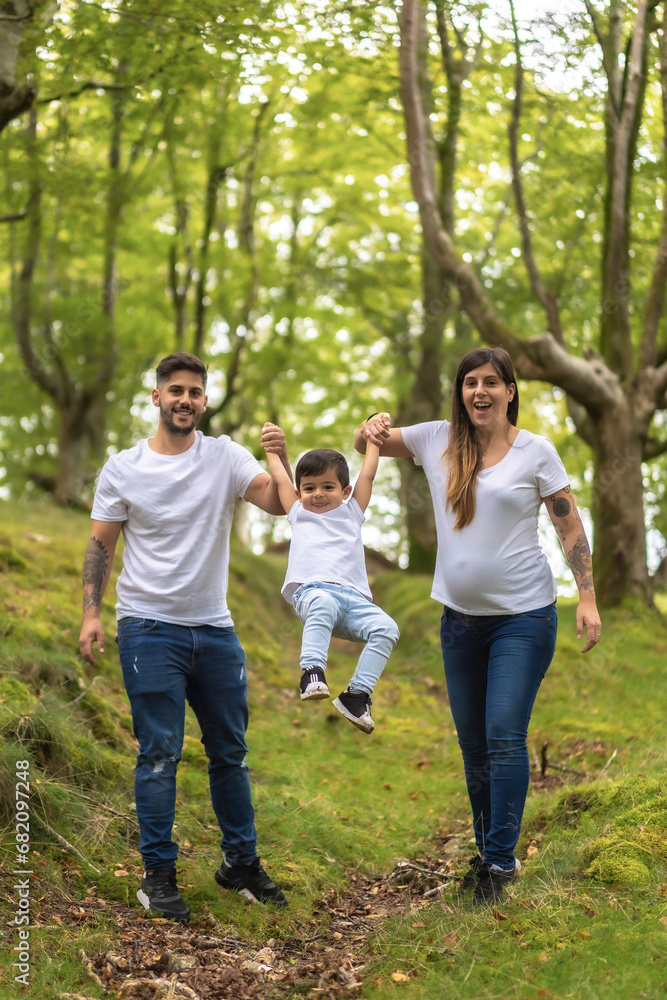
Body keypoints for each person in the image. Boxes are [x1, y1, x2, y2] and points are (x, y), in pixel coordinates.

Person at [356, 347, 601, 904]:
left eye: (492, 382)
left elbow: (568, 525)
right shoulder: (436, 438)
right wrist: (369, 426)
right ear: (461, 391)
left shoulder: (536, 452)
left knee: (503, 736)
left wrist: (586, 597)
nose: (480, 392)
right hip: (460, 623)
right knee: (474, 746)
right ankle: (490, 850)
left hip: (523, 620)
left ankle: (498, 863)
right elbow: (363, 445)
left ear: (511, 390)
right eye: (470, 382)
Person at [79, 352, 289, 922]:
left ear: (204, 401)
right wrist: (91, 614)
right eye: (176, 390)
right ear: (156, 397)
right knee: (159, 754)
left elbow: (276, 502)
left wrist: (278, 456)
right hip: (149, 629)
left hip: (215, 631)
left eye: (195, 392)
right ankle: (158, 876)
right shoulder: (123, 468)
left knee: (231, 753)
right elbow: (101, 545)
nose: (186, 400)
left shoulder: (224, 456)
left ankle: (240, 865)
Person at [261, 421, 399, 734]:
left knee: (387, 629)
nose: (318, 494)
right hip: (312, 594)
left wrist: (373, 442)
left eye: (327, 486)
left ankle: (357, 696)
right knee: (322, 602)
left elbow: (368, 474)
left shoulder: (352, 512)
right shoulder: (299, 513)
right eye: (309, 488)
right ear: (300, 493)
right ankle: (311, 672)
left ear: (345, 491)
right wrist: (272, 452)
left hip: (353, 601)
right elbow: (281, 479)